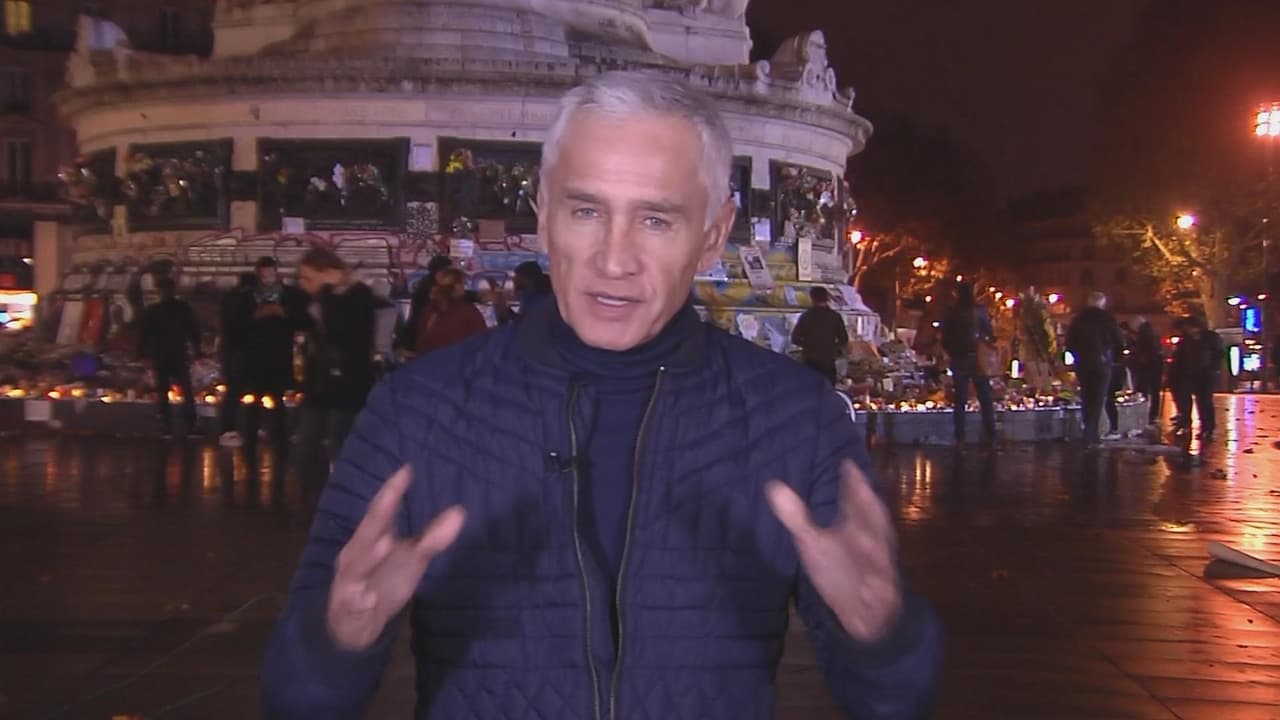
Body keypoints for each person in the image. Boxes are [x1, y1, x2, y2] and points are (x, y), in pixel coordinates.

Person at [262, 71, 941, 719]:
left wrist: (883, 633)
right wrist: (337, 638)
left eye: (656, 220)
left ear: (712, 235)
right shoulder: (414, 410)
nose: (614, 259)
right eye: (586, 210)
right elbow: (295, 699)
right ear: (543, 214)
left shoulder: (798, 420)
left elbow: (895, 702)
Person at [294, 246, 377, 486]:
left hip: (347, 384)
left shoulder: (357, 295)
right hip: (320, 383)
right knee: (309, 444)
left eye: (308, 278)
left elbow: (341, 330)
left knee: (339, 442)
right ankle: (312, 494)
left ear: (327, 273)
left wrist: (330, 292)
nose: (303, 284)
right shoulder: (318, 300)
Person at [244, 256, 308, 450]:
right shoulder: (249, 296)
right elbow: (240, 322)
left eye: (270, 273)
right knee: (256, 395)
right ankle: (254, 434)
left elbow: (301, 319)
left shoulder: (290, 295)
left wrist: (283, 314)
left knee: (277, 395)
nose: (267, 278)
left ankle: (278, 435)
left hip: (279, 350)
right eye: (264, 275)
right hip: (257, 351)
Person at [137, 275, 201, 438]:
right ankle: (191, 424)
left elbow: (144, 334)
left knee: (163, 391)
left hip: (160, 355)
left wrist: (140, 352)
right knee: (186, 390)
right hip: (178, 354)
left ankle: (166, 426)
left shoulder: (153, 311)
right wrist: (198, 350)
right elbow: (193, 331)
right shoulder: (182, 308)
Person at [940, 281, 996, 444]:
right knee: (985, 398)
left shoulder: (951, 312)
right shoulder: (979, 311)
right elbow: (990, 333)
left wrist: (952, 351)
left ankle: (960, 436)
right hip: (977, 358)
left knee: (960, 399)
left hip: (959, 358)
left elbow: (945, 337)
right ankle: (991, 435)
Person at [1065, 291, 1125, 446]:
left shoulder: (1078, 320)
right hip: (1102, 362)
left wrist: (1077, 355)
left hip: (1083, 363)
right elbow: (1119, 340)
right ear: (1102, 304)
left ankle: (1088, 429)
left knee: (1086, 395)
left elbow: (1069, 342)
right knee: (1098, 398)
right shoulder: (1107, 320)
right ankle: (1091, 432)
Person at [217, 272, 257, 447]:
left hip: (231, 349)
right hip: (244, 350)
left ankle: (229, 429)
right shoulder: (248, 301)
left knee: (233, 391)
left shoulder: (229, 299)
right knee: (242, 390)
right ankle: (238, 429)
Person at [1170, 315, 1223, 440]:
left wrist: (1212, 368)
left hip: (1207, 374)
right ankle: (1198, 427)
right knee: (1197, 401)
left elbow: (1218, 354)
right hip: (1192, 374)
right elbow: (1180, 357)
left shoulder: (1210, 337)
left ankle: (1208, 428)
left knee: (1205, 401)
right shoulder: (1187, 340)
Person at [413, 267, 489, 354]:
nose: (465, 287)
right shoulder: (468, 311)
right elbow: (482, 341)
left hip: (430, 362)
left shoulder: (429, 308)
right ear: (458, 286)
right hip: (460, 362)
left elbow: (422, 342)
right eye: (463, 284)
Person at [790, 286, 849, 385]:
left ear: (812, 298)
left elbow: (795, 339)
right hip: (828, 363)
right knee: (828, 392)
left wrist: (808, 344)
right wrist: (834, 348)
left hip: (810, 362)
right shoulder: (834, 317)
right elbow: (844, 339)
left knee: (810, 391)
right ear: (827, 298)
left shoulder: (806, 316)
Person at [1130, 318, 1164, 426]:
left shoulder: (1144, 334)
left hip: (1147, 367)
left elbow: (1143, 351)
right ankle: (1153, 414)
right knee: (1154, 392)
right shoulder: (1152, 331)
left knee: (1144, 390)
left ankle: (1145, 413)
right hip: (1155, 366)